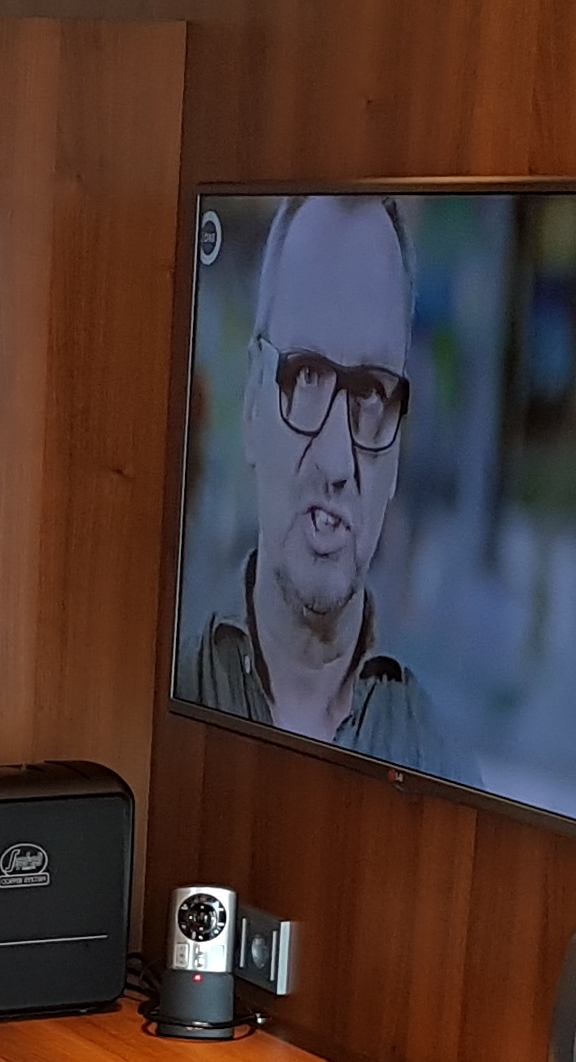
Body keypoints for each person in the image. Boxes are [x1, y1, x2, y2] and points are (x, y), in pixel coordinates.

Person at [178, 194, 453, 776]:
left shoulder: (440, 760)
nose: (334, 461)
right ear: (251, 405)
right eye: (305, 376)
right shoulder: (166, 674)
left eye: (371, 392)